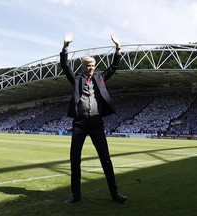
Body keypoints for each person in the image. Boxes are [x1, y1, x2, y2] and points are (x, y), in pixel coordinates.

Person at [60, 32, 127, 204]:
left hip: (96, 122)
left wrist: (118, 48)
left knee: (105, 158)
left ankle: (115, 194)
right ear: (82, 67)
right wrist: (66, 46)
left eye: (92, 65)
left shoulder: (99, 77)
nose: (90, 67)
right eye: (87, 65)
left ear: (95, 66)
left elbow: (113, 67)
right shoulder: (76, 79)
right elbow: (65, 66)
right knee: (75, 159)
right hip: (79, 123)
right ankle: (76, 196)